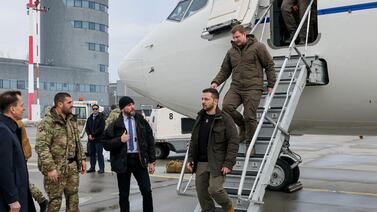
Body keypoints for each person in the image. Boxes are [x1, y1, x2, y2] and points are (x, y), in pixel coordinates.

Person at [211, 24, 276, 144]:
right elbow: (225, 70)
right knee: (226, 107)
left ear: (244, 34)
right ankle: (243, 126)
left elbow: (269, 65)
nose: (235, 40)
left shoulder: (258, 47)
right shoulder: (231, 52)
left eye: (237, 37)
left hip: (253, 87)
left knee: (249, 116)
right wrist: (216, 82)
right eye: (234, 38)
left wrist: (271, 84)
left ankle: (251, 143)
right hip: (236, 87)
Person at [187, 88, 239, 212]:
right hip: (201, 162)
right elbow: (194, 140)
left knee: (215, 189)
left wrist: (228, 163)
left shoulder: (225, 119)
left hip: (218, 162)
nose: (203, 102)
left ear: (215, 101)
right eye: (202, 99)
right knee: (202, 194)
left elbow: (233, 141)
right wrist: (190, 158)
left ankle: (229, 207)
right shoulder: (200, 117)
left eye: (206, 99)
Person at [102, 96, 156, 212]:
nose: (132, 107)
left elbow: (150, 139)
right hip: (123, 161)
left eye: (132, 104)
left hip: (139, 160)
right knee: (124, 194)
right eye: (128, 105)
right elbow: (105, 143)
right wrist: (119, 140)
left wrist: (152, 161)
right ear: (122, 108)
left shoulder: (140, 120)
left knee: (147, 191)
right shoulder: (116, 124)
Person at [36, 92, 87, 212]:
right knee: (55, 202)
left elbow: (77, 141)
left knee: (73, 200)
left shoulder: (71, 119)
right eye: (69, 102)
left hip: (72, 167)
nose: (72, 105)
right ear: (60, 104)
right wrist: (50, 168)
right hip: (56, 169)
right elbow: (42, 147)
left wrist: (82, 159)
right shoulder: (48, 122)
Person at [0, 90, 36, 212]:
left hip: (18, 191)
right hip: (10, 199)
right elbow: (4, 168)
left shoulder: (11, 128)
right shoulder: (3, 130)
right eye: (21, 105)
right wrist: (12, 199)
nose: (24, 109)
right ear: (12, 109)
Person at [16, 119, 48, 212]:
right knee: (24, 182)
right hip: (21, 154)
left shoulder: (15, 122)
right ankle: (41, 200)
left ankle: (41, 200)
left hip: (20, 156)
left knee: (22, 182)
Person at [85, 104, 106, 174]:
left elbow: (101, 128)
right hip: (91, 140)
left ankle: (101, 168)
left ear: (98, 109)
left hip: (98, 139)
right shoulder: (90, 118)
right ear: (92, 109)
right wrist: (89, 135)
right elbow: (87, 127)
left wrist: (93, 135)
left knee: (99, 154)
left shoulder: (101, 118)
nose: (95, 110)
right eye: (93, 109)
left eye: (96, 109)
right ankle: (92, 167)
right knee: (92, 154)